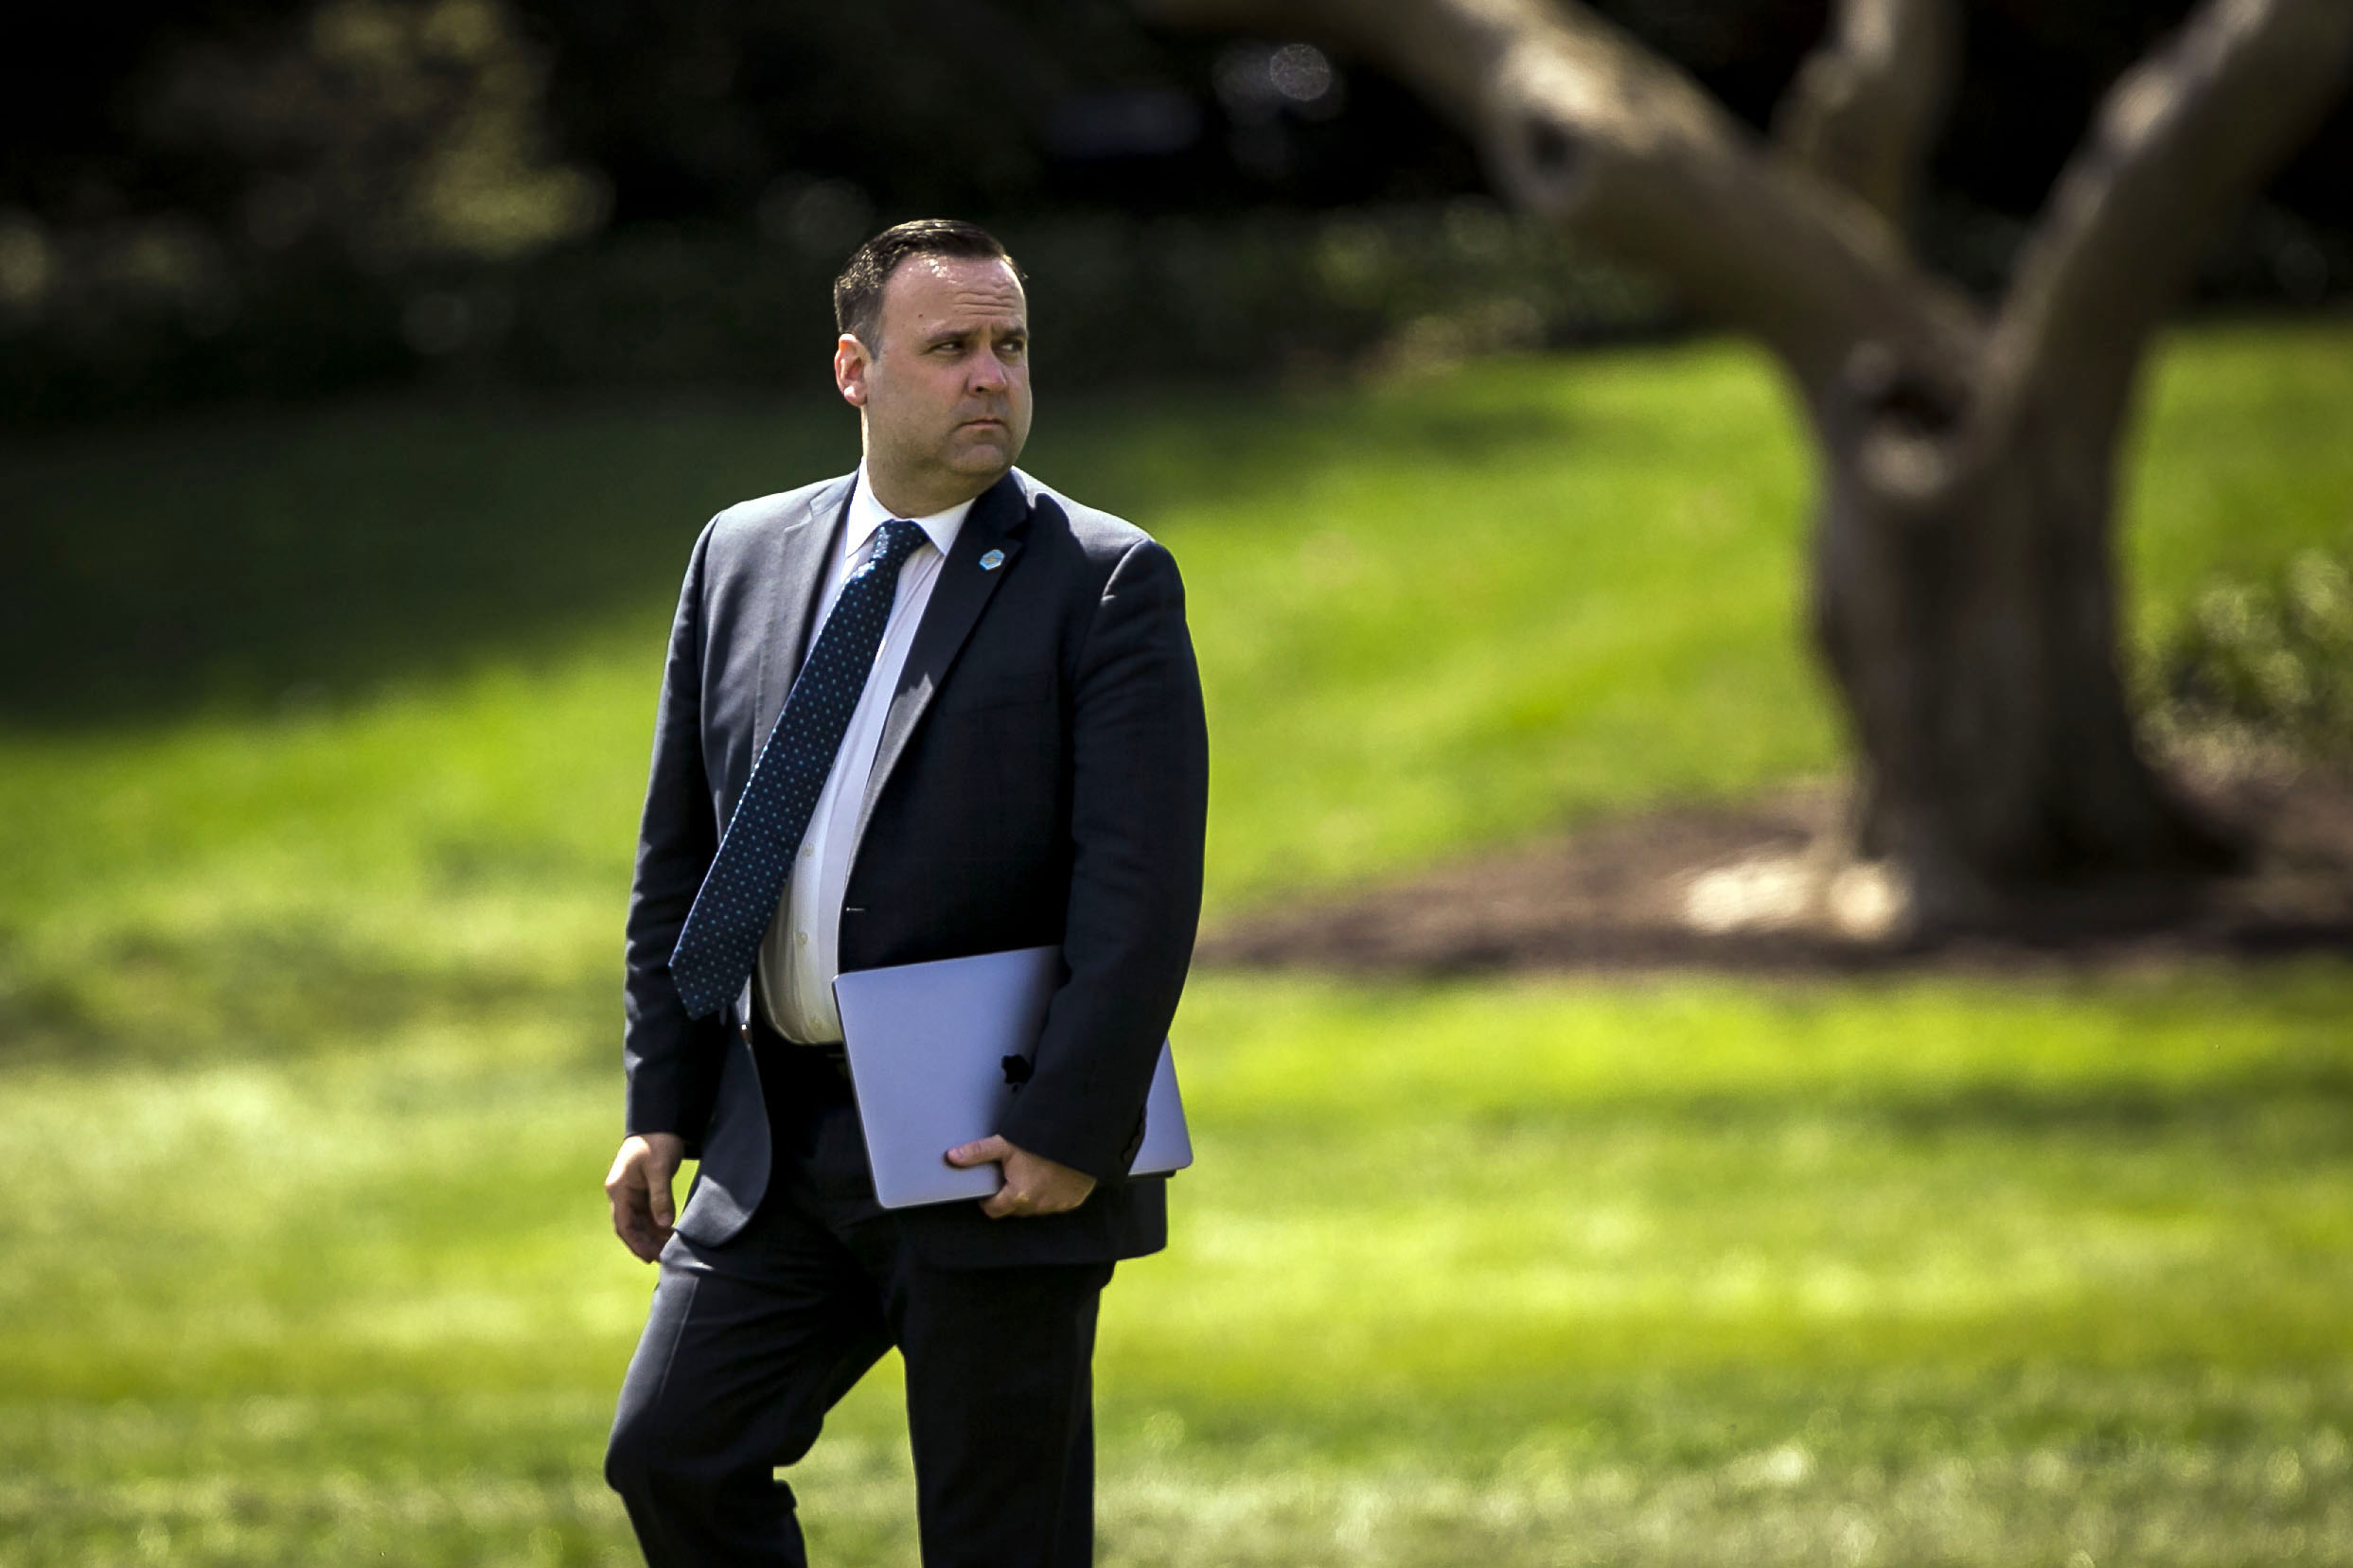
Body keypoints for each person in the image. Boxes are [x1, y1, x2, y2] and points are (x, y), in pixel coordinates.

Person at [599, 218, 1210, 1567]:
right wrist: (662, 1107)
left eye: (1009, 346)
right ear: (854, 369)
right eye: (950, 348)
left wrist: (1069, 1124)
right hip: (775, 1143)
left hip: (989, 1145)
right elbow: (684, 857)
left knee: (1002, 1540)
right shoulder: (742, 553)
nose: (990, 375)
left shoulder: (1104, 578)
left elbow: (1141, 888)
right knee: (671, 1454)